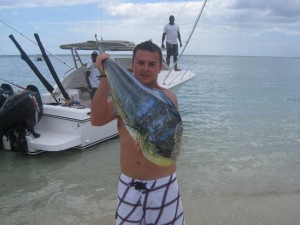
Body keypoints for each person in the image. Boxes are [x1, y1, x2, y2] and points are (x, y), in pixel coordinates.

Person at [90, 40, 185, 225]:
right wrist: (104, 77)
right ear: (132, 65)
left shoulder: (167, 97)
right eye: (140, 63)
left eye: (152, 64)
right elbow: (96, 119)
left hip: (162, 185)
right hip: (129, 184)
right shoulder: (122, 100)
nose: (145, 68)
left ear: (160, 67)